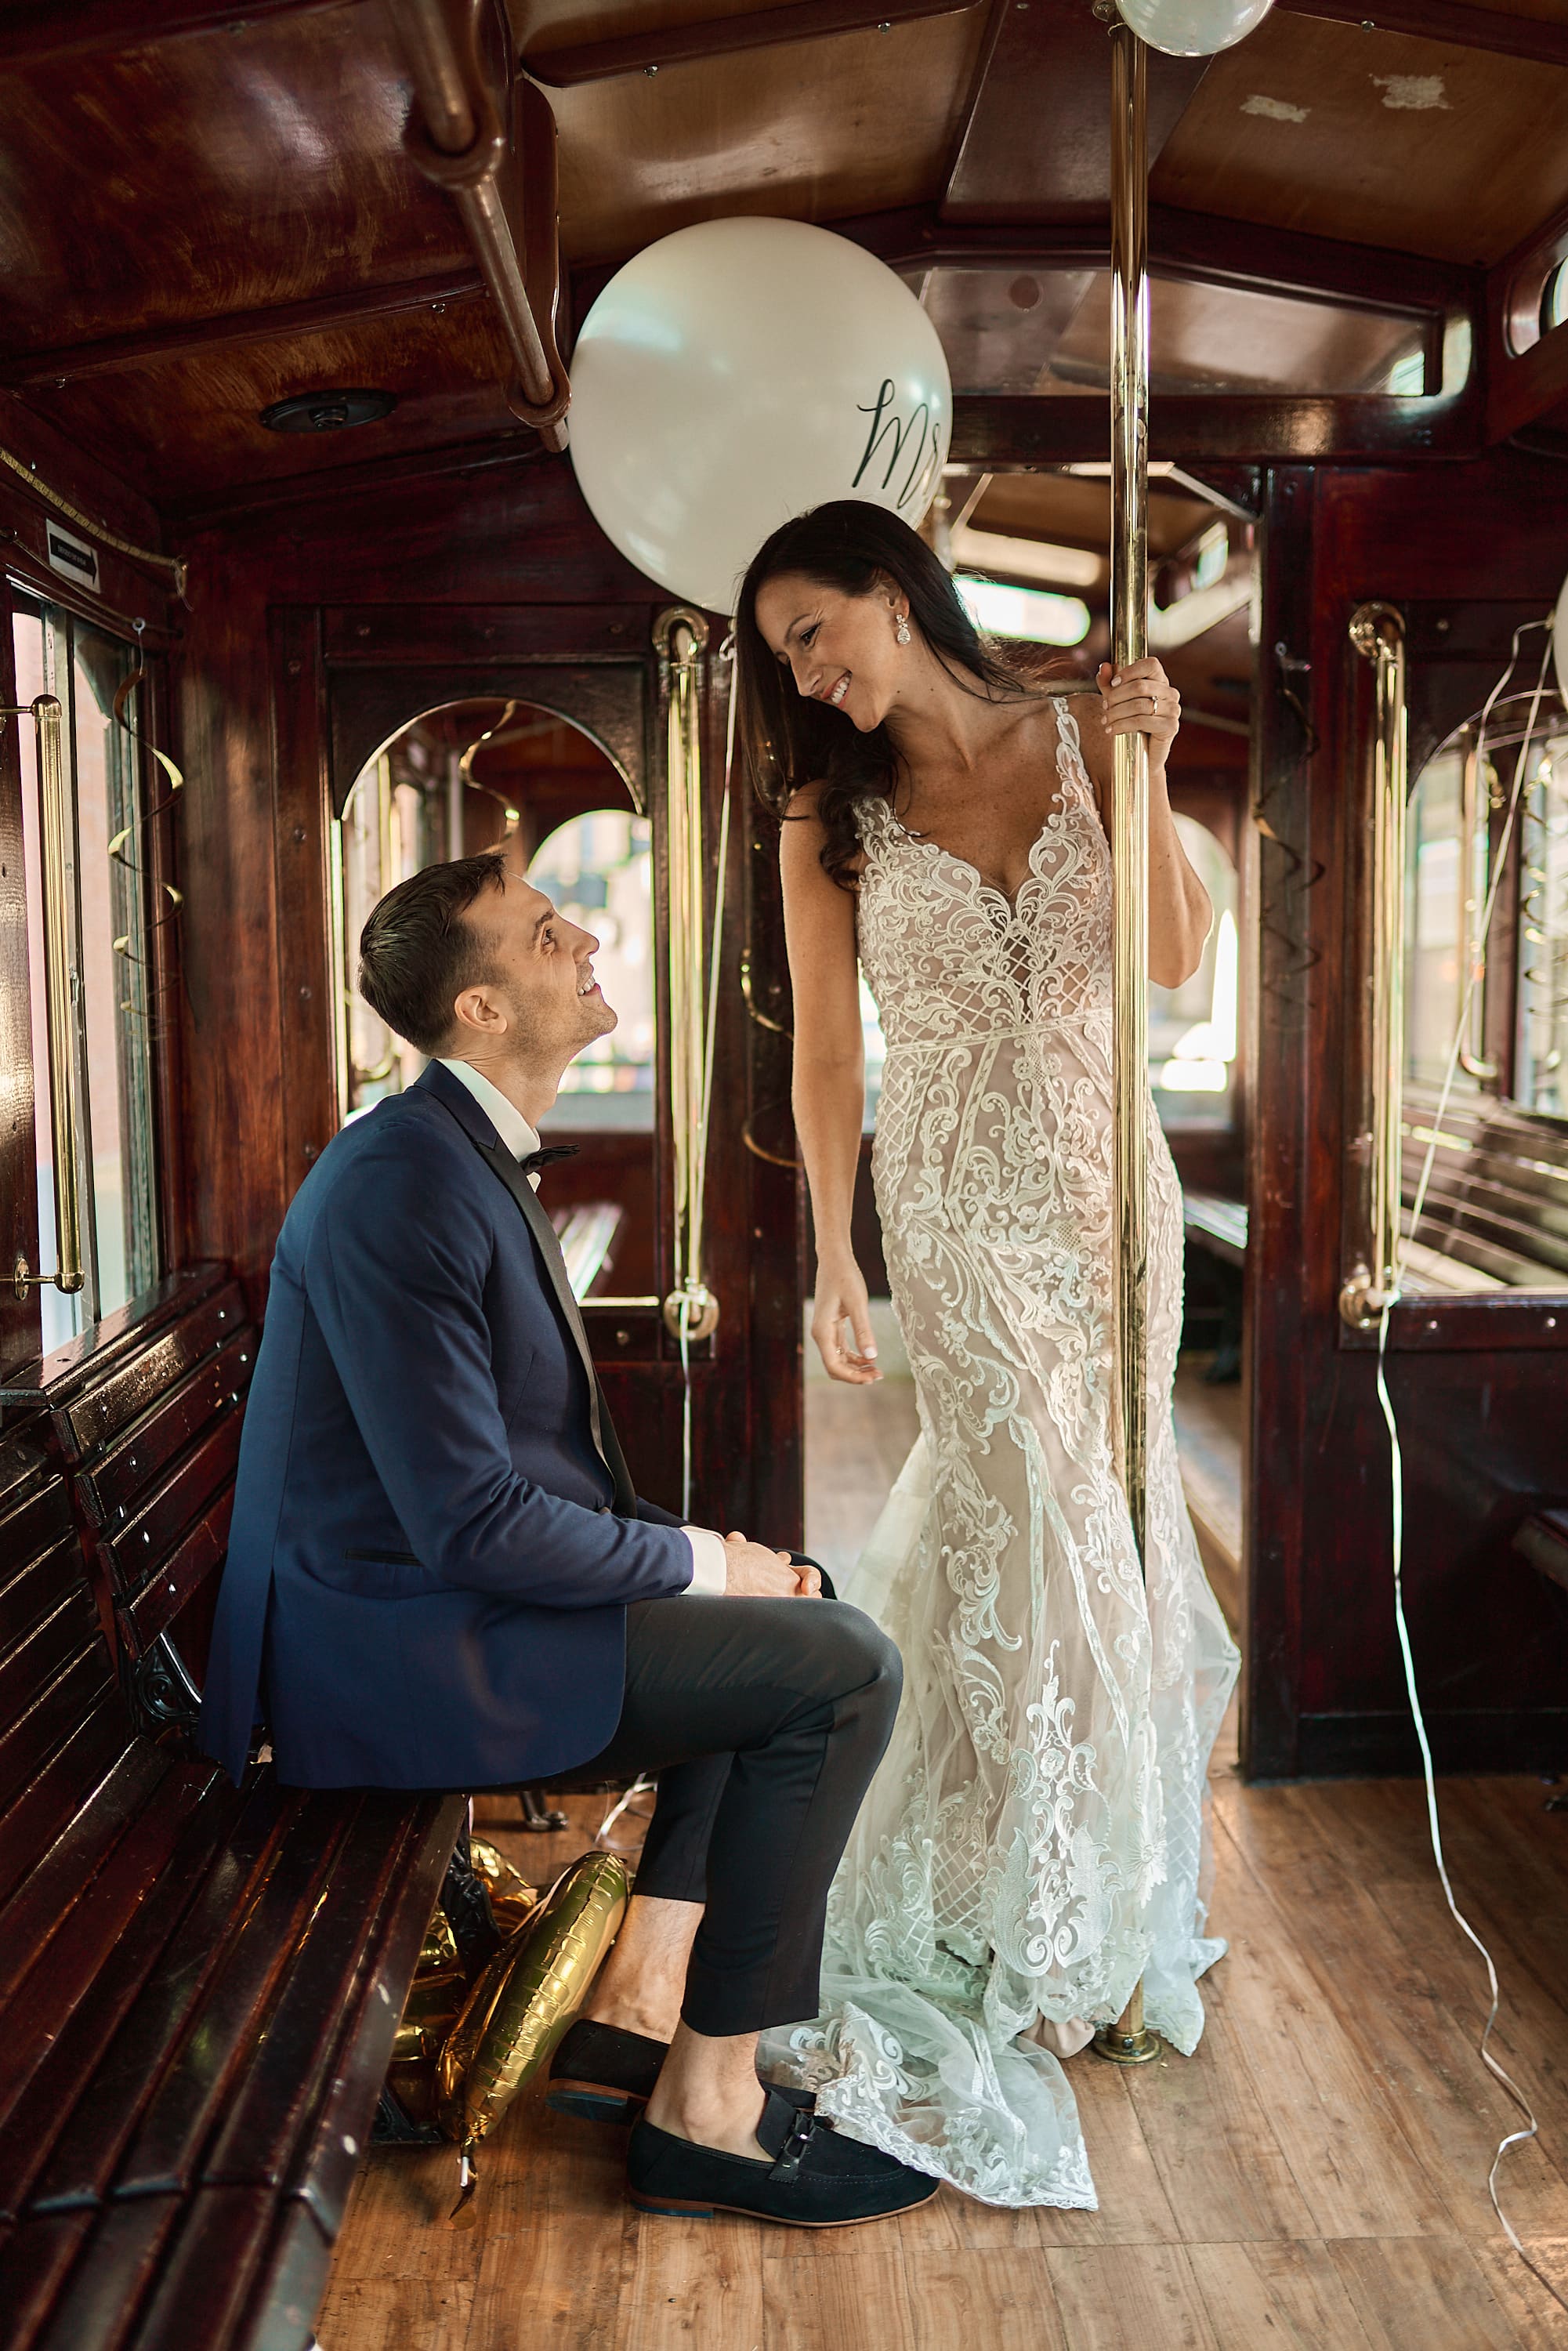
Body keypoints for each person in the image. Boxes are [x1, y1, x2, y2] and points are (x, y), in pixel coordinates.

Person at [199, 848, 939, 2230]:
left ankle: (636, 2014)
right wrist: (711, 1565)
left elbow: (532, 1477)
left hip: (423, 1608)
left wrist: (723, 1556)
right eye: (547, 934)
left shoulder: (451, 1155)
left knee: (792, 1622)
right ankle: (705, 2114)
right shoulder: (402, 1185)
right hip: (386, 1652)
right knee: (839, 1667)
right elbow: (474, 1520)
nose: (585, 935)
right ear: (478, 1010)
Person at [735, 500, 1240, 2208]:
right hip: (953, 1205)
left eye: (816, 629)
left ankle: (1095, 1886)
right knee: (1039, 1518)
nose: (809, 671)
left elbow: (1168, 964)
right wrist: (830, 1248)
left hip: (1112, 1200)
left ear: (891, 591)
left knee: (1109, 1523)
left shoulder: (1084, 731)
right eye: (785, 656)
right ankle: (1055, 1925)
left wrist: (1148, 761)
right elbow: (823, 1062)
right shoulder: (831, 815)